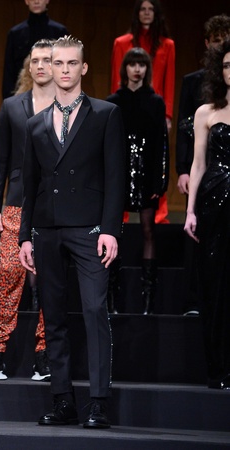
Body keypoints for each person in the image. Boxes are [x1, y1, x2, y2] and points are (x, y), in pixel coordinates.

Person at [19, 36, 125, 429]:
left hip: (89, 229)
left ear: (83, 68)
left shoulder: (106, 114)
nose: (64, 70)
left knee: (95, 311)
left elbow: (116, 179)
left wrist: (110, 230)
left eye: (71, 63)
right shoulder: (35, 124)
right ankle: (62, 399)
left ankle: (98, 402)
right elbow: (29, 185)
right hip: (46, 229)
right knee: (54, 315)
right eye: (58, 63)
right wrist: (24, 236)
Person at [0, 40, 56, 382]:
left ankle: (44, 356)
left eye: (48, 60)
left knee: (50, 279)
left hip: (55, 206)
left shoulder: (73, 106)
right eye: (35, 60)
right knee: (9, 273)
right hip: (17, 202)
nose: (41, 65)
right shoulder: (12, 106)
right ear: (28, 66)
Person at [183, 38, 230, 390]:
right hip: (214, 202)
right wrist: (189, 210)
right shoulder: (206, 112)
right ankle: (219, 367)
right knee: (215, 284)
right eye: (226, 65)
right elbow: (198, 164)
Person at [107, 48, 168, 315]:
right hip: (119, 173)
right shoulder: (113, 101)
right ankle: (112, 298)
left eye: (141, 64)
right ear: (125, 68)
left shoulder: (155, 102)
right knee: (113, 232)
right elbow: (107, 143)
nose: (137, 69)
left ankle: (148, 301)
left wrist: (160, 182)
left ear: (147, 69)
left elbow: (161, 144)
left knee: (148, 230)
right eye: (132, 64)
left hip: (146, 172)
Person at [176, 14, 230, 316]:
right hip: (212, 187)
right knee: (209, 261)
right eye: (226, 65)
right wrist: (189, 209)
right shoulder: (202, 104)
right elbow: (195, 158)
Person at [111, 0, 174, 224]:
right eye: (143, 9)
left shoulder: (167, 45)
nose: (147, 13)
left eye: (151, 9)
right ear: (137, 13)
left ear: (156, 13)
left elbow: (168, 79)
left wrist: (168, 115)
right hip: (127, 105)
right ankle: (120, 217)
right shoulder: (122, 43)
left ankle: (159, 215)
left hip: (153, 110)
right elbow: (116, 78)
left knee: (155, 158)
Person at [1, 0, 67, 99]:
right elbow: (9, 70)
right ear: (26, 1)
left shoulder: (60, 32)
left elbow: (65, 66)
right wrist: (8, 100)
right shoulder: (15, 33)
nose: (36, 1)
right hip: (22, 92)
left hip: (53, 93)